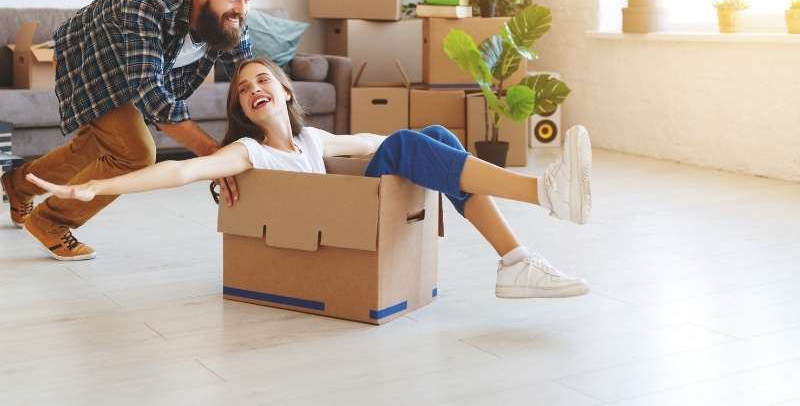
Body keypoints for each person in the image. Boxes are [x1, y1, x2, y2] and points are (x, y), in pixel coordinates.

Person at [26, 56, 593, 299]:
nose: (252, 89)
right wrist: (96, 187)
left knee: (433, 141)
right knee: (406, 144)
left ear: (286, 90)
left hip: (353, 199)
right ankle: (543, 193)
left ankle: (515, 262)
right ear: (245, 111)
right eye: (243, 90)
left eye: (261, 79)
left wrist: (421, 145)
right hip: (341, 215)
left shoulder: (313, 141)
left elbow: (371, 143)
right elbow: (181, 171)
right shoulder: (249, 151)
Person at [0, 0, 260, 260]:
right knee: (135, 153)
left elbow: (253, 78)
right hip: (92, 58)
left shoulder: (232, 21)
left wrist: (272, 137)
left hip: (136, 69)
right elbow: (151, 92)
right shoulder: (148, 0)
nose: (242, 9)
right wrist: (214, 156)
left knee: (97, 147)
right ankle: (50, 222)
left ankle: (18, 184)